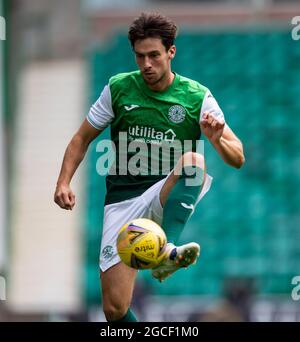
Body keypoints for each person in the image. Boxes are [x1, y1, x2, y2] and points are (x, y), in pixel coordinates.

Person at [54, 12, 245, 322]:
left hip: (164, 191)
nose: (146, 64)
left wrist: (216, 138)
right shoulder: (118, 89)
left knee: (193, 162)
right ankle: (161, 257)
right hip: (122, 202)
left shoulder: (197, 97)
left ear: (171, 52)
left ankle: (164, 250)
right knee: (115, 310)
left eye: (154, 55)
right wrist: (63, 182)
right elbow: (81, 138)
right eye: (140, 56)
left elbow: (238, 157)